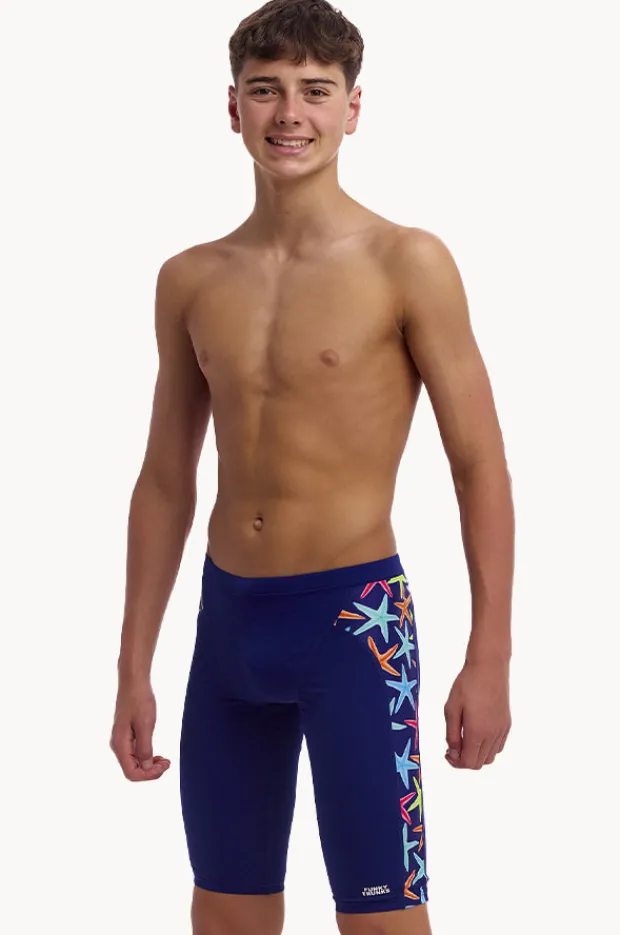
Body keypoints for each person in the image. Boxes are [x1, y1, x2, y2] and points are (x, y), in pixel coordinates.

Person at [109, 1, 514, 933]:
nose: (289, 113)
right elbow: (165, 479)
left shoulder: (406, 262)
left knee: (381, 918)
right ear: (233, 107)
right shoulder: (190, 277)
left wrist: (489, 654)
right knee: (226, 914)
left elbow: (479, 463)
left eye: (314, 91)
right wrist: (133, 665)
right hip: (228, 628)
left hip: (354, 628)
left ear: (353, 108)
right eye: (265, 90)